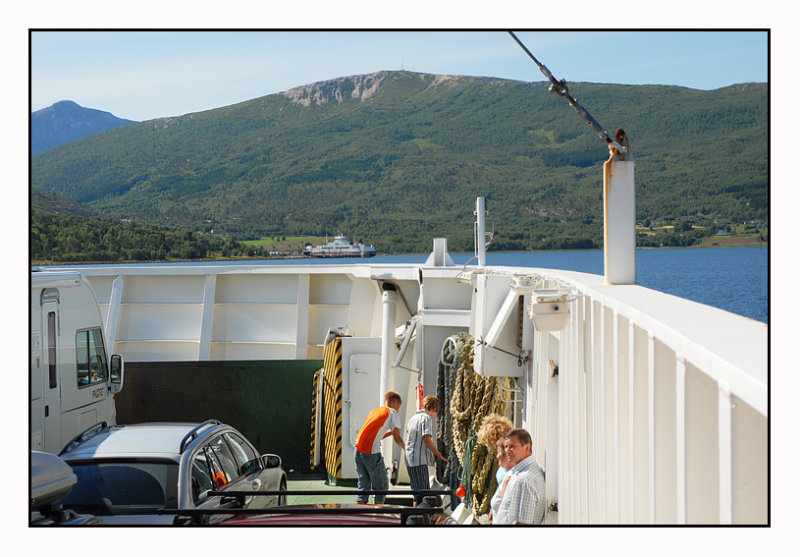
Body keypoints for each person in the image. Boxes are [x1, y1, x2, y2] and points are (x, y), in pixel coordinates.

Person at [354, 391, 405, 504]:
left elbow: (374, 434)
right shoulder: (392, 413)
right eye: (398, 407)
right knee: (381, 487)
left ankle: (359, 512)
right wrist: (406, 448)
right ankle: (378, 515)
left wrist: (389, 433)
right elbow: (397, 438)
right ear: (394, 402)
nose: (398, 410)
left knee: (363, 485)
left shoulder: (375, 411)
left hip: (358, 450)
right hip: (371, 453)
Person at [493, 428, 546, 525]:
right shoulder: (519, 473)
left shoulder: (525, 480)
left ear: (527, 447)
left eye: (512, 446)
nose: (507, 451)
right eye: (506, 446)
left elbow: (523, 524)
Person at [404, 395, 448, 505]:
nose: (435, 416)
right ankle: (422, 518)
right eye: (436, 412)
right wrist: (438, 454)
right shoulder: (426, 418)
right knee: (425, 494)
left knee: (416, 494)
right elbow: (427, 440)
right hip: (419, 461)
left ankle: (415, 516)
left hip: (409, 459)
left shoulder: (412, 418)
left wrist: (430, 455)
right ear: (434, 409)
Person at [489, 439, 513, 522]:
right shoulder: (507, 473)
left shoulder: (510, 478)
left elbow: (506, 510)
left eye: (498, 452)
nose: (497, 456)